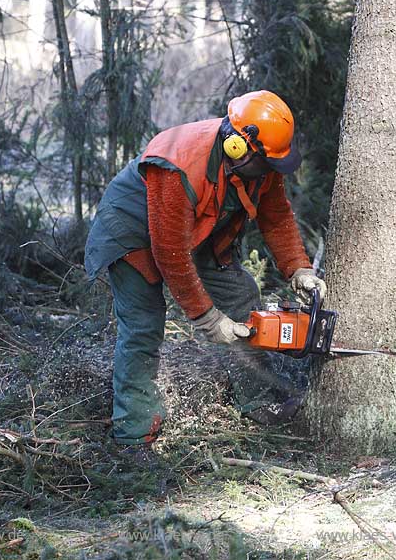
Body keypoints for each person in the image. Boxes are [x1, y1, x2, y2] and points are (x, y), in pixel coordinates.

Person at [83, 90, 328, 447]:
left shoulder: (260, 164)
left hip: (193, 230)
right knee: (143, 326)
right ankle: (133, 433)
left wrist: (299, 269)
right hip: (131, 231)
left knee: (241, 294)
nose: (271, 173)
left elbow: (276, 217)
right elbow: (169, 254)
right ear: (236, 148)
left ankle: (257, 398)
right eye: (266, 165)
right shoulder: (179, 164)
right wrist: (208, 318)